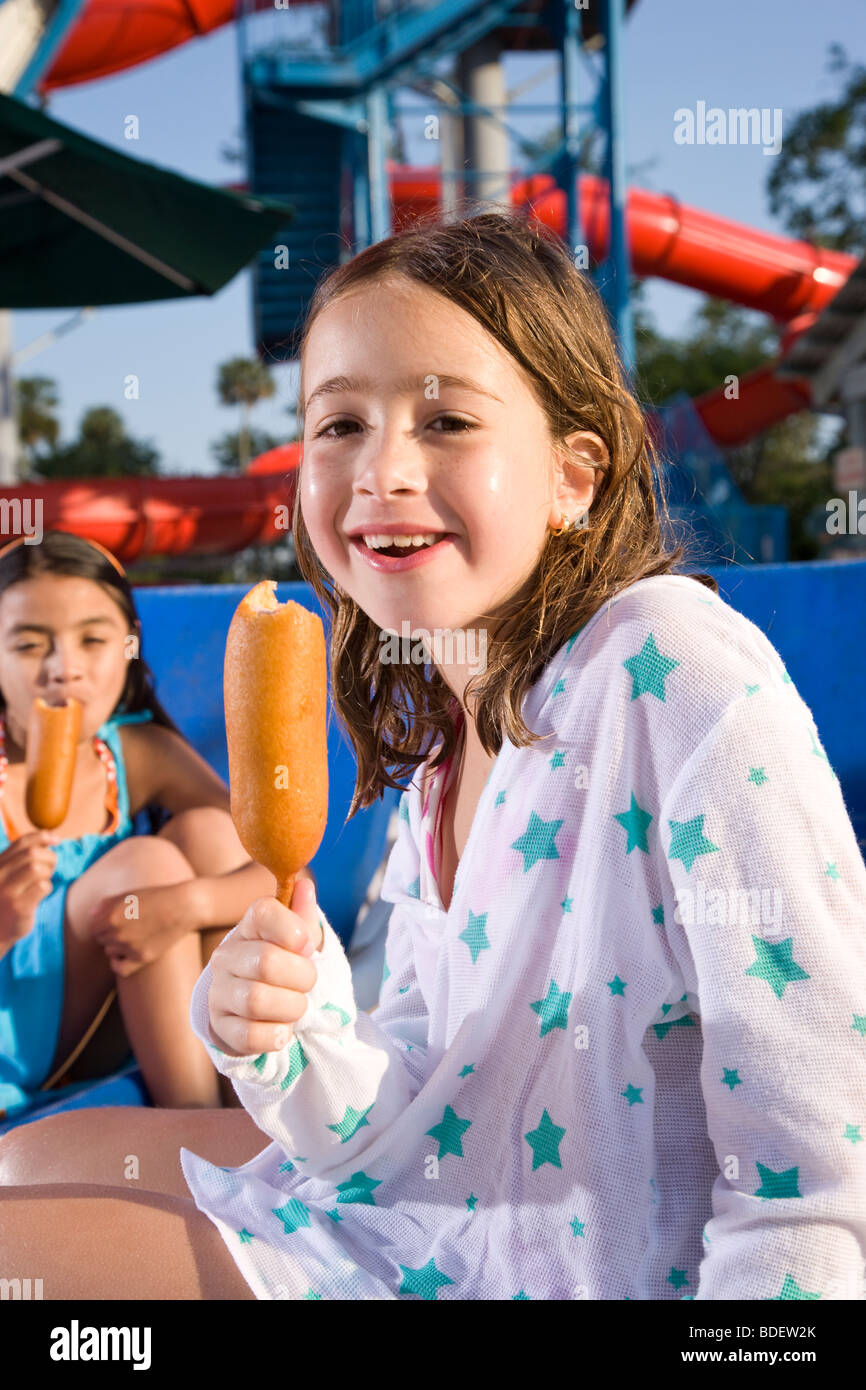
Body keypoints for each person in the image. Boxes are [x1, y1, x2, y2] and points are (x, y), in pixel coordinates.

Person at [1, 208, 865, 1301]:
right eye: (338, 424)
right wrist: (292, 1036)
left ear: (572, 477)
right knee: (18, 1160)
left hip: (562, 1271)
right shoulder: (436, 741)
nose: (381, 471)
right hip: (433, 1203)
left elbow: (822, 1158)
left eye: (446, 420)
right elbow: (407, 1097)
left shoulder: (672, 665)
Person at [0, 529, 284, 1121]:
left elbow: (279, 873)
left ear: (128, 649)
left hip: (113, 1020)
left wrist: (187, 905)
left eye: (93, 641)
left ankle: (248, 1111)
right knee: (147, 866)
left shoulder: (135, 753)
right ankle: (196, 1125)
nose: (62, 669)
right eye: (29, 645)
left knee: (208, 834)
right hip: (15, 1037)